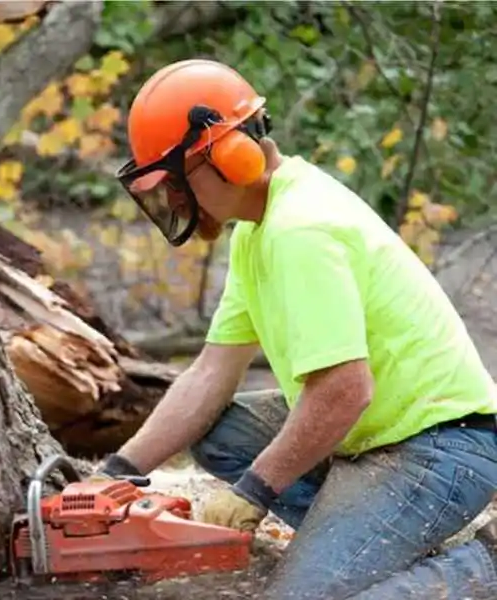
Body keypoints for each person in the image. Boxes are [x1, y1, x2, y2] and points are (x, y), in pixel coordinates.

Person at [99, 58, 497, 599]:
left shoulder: (300, 229)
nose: (172, 200)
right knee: (218, 433)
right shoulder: (257, 227)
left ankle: (483, 565)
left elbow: (344, 390)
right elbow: (212, 371)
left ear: (228, 156)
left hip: (439, 447)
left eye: (176, 181)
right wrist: (118, 472)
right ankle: (366, 540)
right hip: (375, 433)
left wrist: (255, 490)